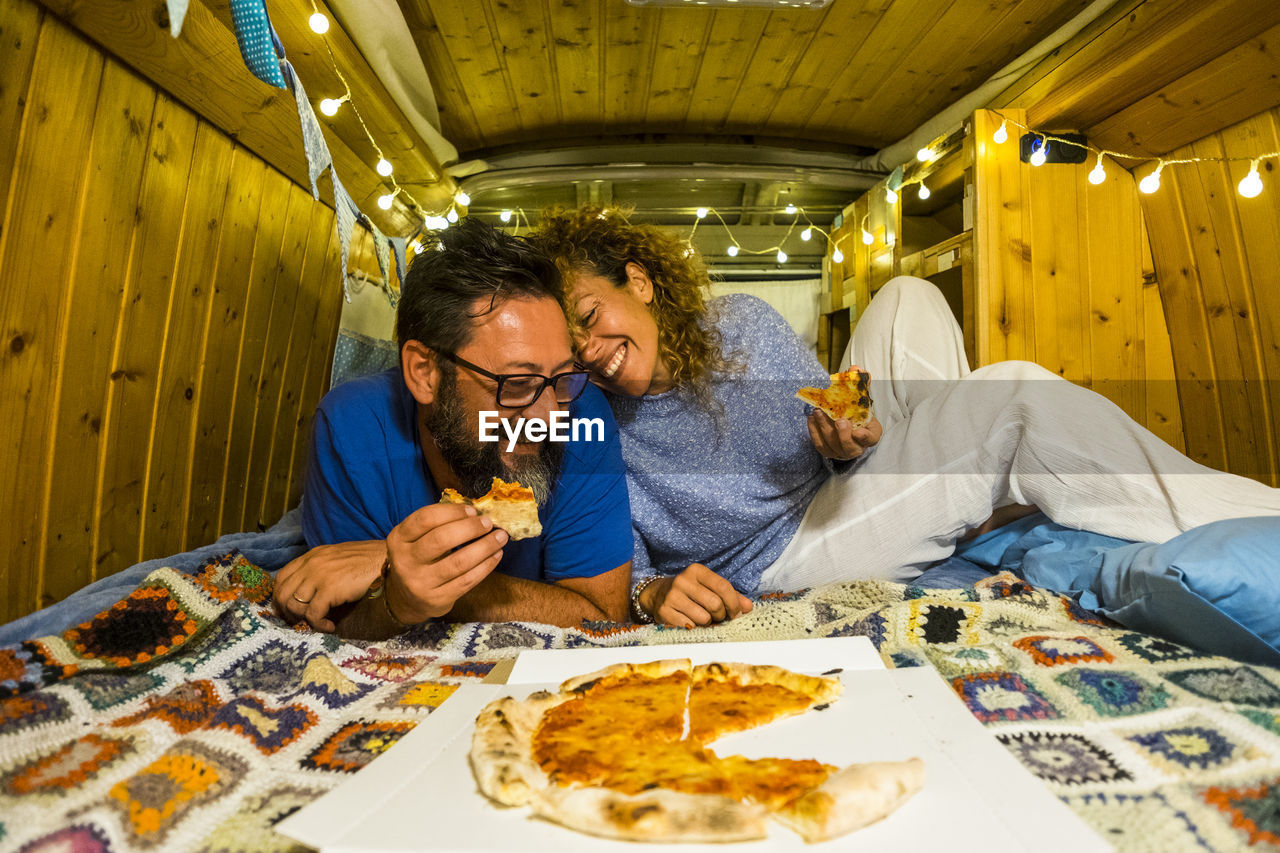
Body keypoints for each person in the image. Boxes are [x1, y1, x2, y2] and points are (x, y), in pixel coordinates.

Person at [530, 204, 1280, 629]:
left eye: (593, 316)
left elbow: (840, 428)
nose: (590, 350)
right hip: (784, 554)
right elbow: (621, 565)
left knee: (906, 297)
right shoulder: (589, 414)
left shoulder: (745, 323)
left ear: (640, 280)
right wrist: (653, 592)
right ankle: (1262, 515)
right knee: (1012, 396)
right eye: (572, 342)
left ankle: (975, 512)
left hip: (835, 485)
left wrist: (851, 438)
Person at [274, 219, 633, 639]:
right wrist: (396, 602)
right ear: (424, 373)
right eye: (517, 384)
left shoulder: (582, 415)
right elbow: (335, 616)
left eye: (562, 377)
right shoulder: (350, 428)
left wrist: (398, 569)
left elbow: (603, 618)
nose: (550, 418)